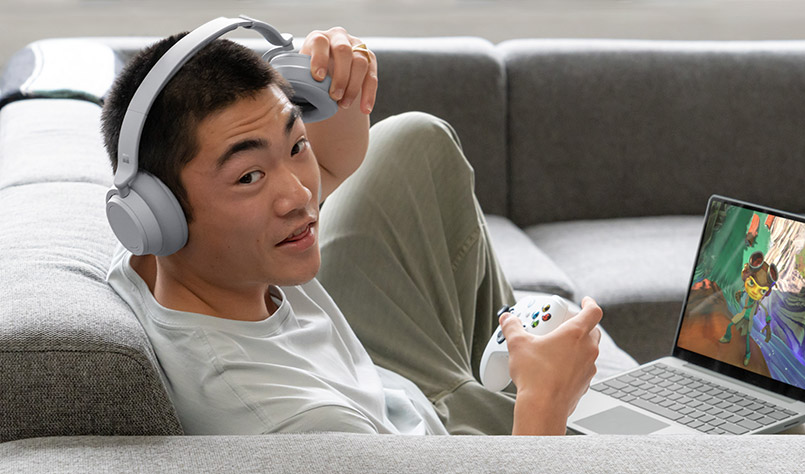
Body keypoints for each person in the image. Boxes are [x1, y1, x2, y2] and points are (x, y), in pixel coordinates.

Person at [102, 25, 603, 437]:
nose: (299, 196)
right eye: (249, 176)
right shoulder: (307, 426)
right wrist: (544, 404)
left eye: (295, 145)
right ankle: (524, 389)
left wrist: (335, 75)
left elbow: (334, 162)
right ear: (158, 214)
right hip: (426, 460)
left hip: (385, 387)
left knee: (416, 141)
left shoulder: (163, 262)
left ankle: (510, 376)